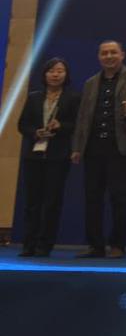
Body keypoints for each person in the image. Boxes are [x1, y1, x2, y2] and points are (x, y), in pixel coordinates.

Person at [71, 41, 126, 259]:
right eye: (104, 53)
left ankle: (118, 244)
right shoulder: (90, 82)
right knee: (92, 197)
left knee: (119, 197)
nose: (109, 56)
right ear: (99, 57)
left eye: (113, 52)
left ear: (122, 54)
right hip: (93, 147)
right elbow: (83, 117)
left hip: (119, 147)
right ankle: (95, 245)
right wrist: (77, 147)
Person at [16, 58, 80, 257]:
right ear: (44, 74)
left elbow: (77, 124)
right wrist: (35, 132)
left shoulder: (73, 98)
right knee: (32, 202)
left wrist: (61, 126)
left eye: (60, 71)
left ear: (66, 75)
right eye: (51, 71)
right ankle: (28, 244)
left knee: (52, 202)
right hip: (33, 155)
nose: (55, 74)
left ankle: (45, 245)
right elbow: (22, 124)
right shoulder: (34, 97)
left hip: (57, 155)